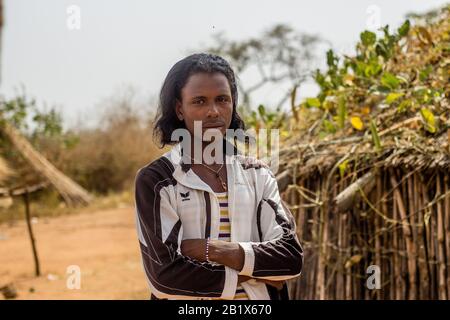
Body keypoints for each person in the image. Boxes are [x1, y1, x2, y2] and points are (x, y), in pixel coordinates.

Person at [134, 53, 303, 300]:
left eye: (222, 99)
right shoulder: (157, 181)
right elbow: (165, 277)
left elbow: (289, 259)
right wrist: (256, 269)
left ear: (233, 103)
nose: (214, 111)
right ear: (179, 109)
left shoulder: (258, 174)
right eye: (200, 101)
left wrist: (214, 250)